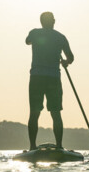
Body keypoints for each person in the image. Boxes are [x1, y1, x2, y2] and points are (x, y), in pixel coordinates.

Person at [25, 11, 74, 150]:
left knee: (34, 113)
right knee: (56, 113)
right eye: (53, 19)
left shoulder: (34, 33)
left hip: (36, 78)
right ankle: (59, 146)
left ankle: (32, 146)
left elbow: (27, 41)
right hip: (53, 78)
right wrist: (66, 62)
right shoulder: (60, 37)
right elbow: (71, 57)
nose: (55, 20)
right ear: (51, 21)